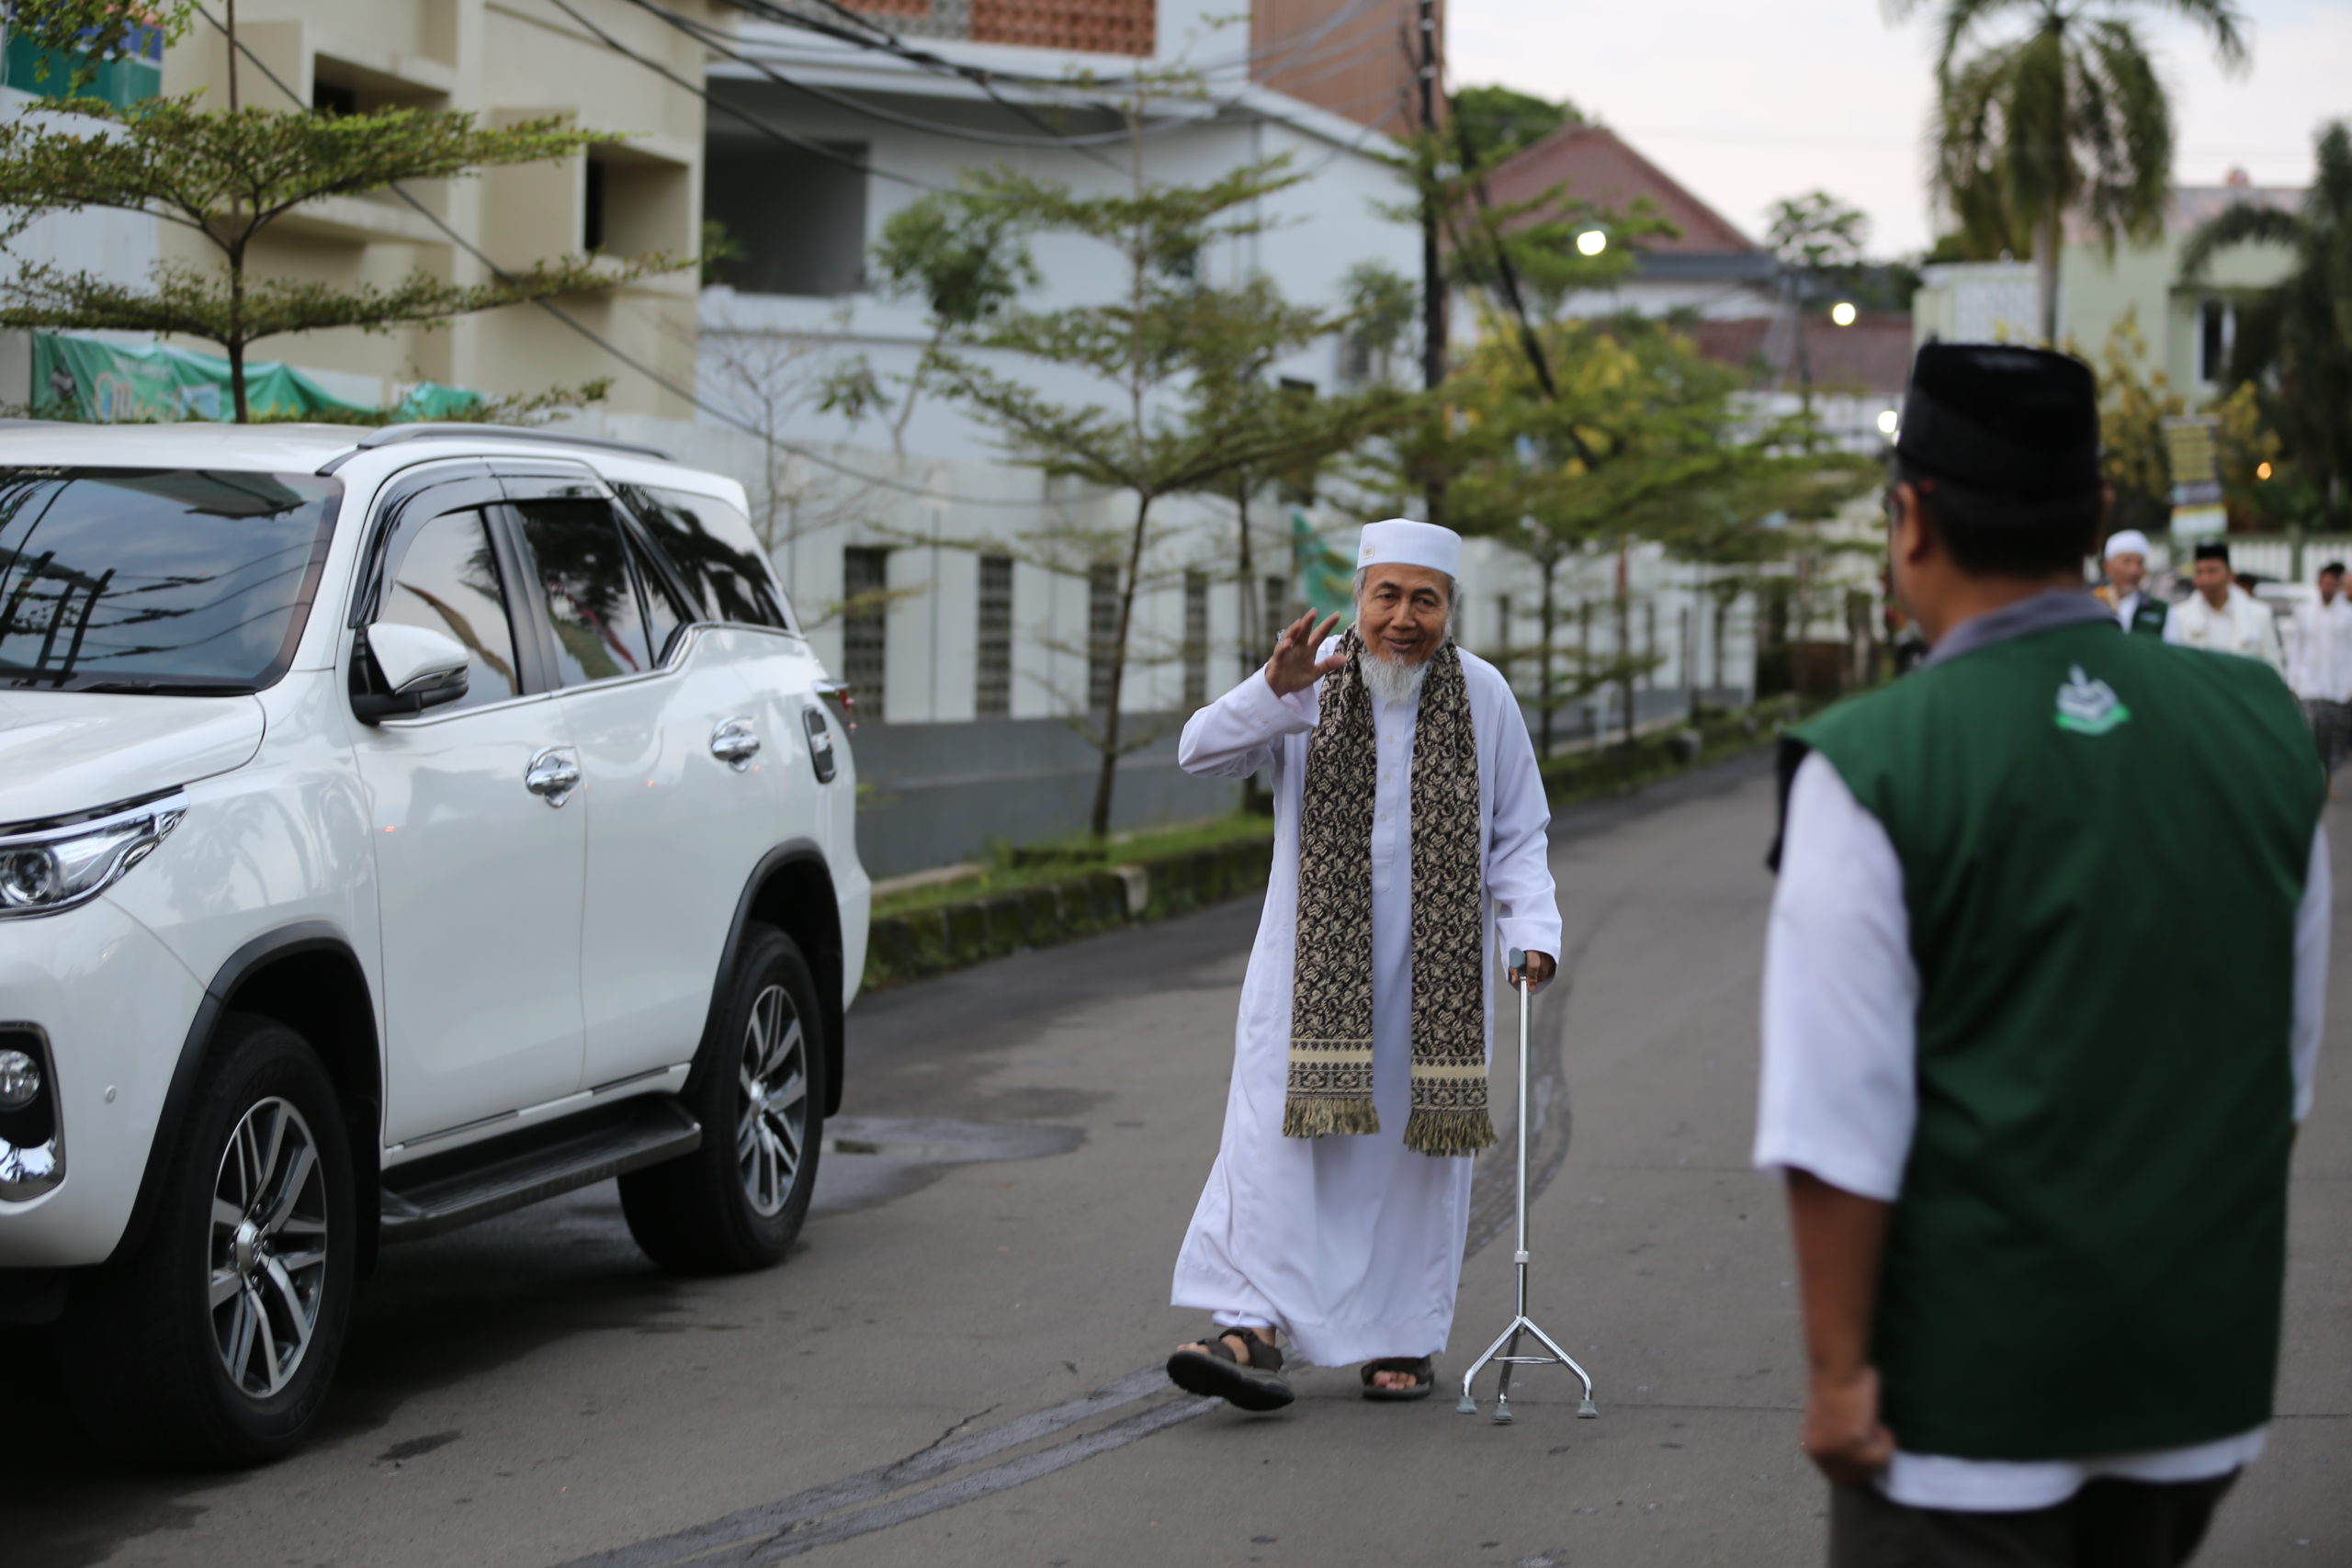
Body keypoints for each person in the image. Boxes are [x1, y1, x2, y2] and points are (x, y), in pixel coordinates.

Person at [1758, 342, 2329, 1568]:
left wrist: (1838, 1376)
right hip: (2192, 1390)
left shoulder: (1870, 762)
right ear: (2097, 513)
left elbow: (1836, 1123)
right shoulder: (2264, 734)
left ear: (1911, 519)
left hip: (1963, 1410)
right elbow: (2277, 1078)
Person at [1166, 518, 1561, 1410]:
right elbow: (1199, 754)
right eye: (1387, 596)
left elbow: (1518, 832)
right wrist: (1271, 691)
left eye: (1426, 600)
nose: (1404, 619)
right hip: (1306, 980)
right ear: (1359, 598)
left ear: (1449, 607)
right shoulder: (1307, 680)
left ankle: (1400, 1334)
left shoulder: (1484, 695)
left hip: (1432, 988)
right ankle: (1250, 1327)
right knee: (1274, 1144)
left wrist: (1531, 930)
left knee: (1408, 1165)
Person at [2166, 539, 2288, 676]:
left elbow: (2274, 671)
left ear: (2230, 575)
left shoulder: (2259, 615)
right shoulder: (2179, 616)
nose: (2205, 580)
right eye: (2199, 572)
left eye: (2212, 571)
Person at [2288, 560, 2352, 782]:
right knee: (2310, 735)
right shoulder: (2304, 611)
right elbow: (2296, 647)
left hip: (2339, 688)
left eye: (2332, 583)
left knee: (2333, 740)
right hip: (2308, 686)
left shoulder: (2348, 614)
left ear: (2338, 586)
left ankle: (2329, 780)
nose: (2327, 587)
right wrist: (2293, 680)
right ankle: (2313, 779)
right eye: (2324, 583)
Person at [2098, 528, 2169, 637]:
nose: (2134, 571)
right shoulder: (2093, 604)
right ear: (2107, 566)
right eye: (2127, 562)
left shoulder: (2161, 611)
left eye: (2140, 563)